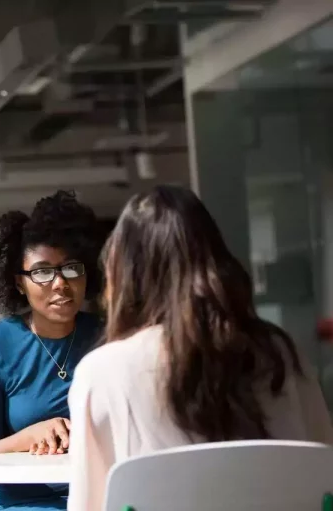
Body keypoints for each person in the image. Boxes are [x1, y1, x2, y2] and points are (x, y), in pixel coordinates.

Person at [67, 186, 333, 511]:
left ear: (125, 274)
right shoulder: (280, 353)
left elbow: (87, 505)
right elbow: (324, 475)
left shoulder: (103, 372)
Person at [0, 190, 103, 511]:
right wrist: (31, 436)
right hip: (21, 503)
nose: (60, 283)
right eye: (42, 272)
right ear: (18, 283)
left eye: (71, 268)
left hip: (99, 496)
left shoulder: (107, 336)